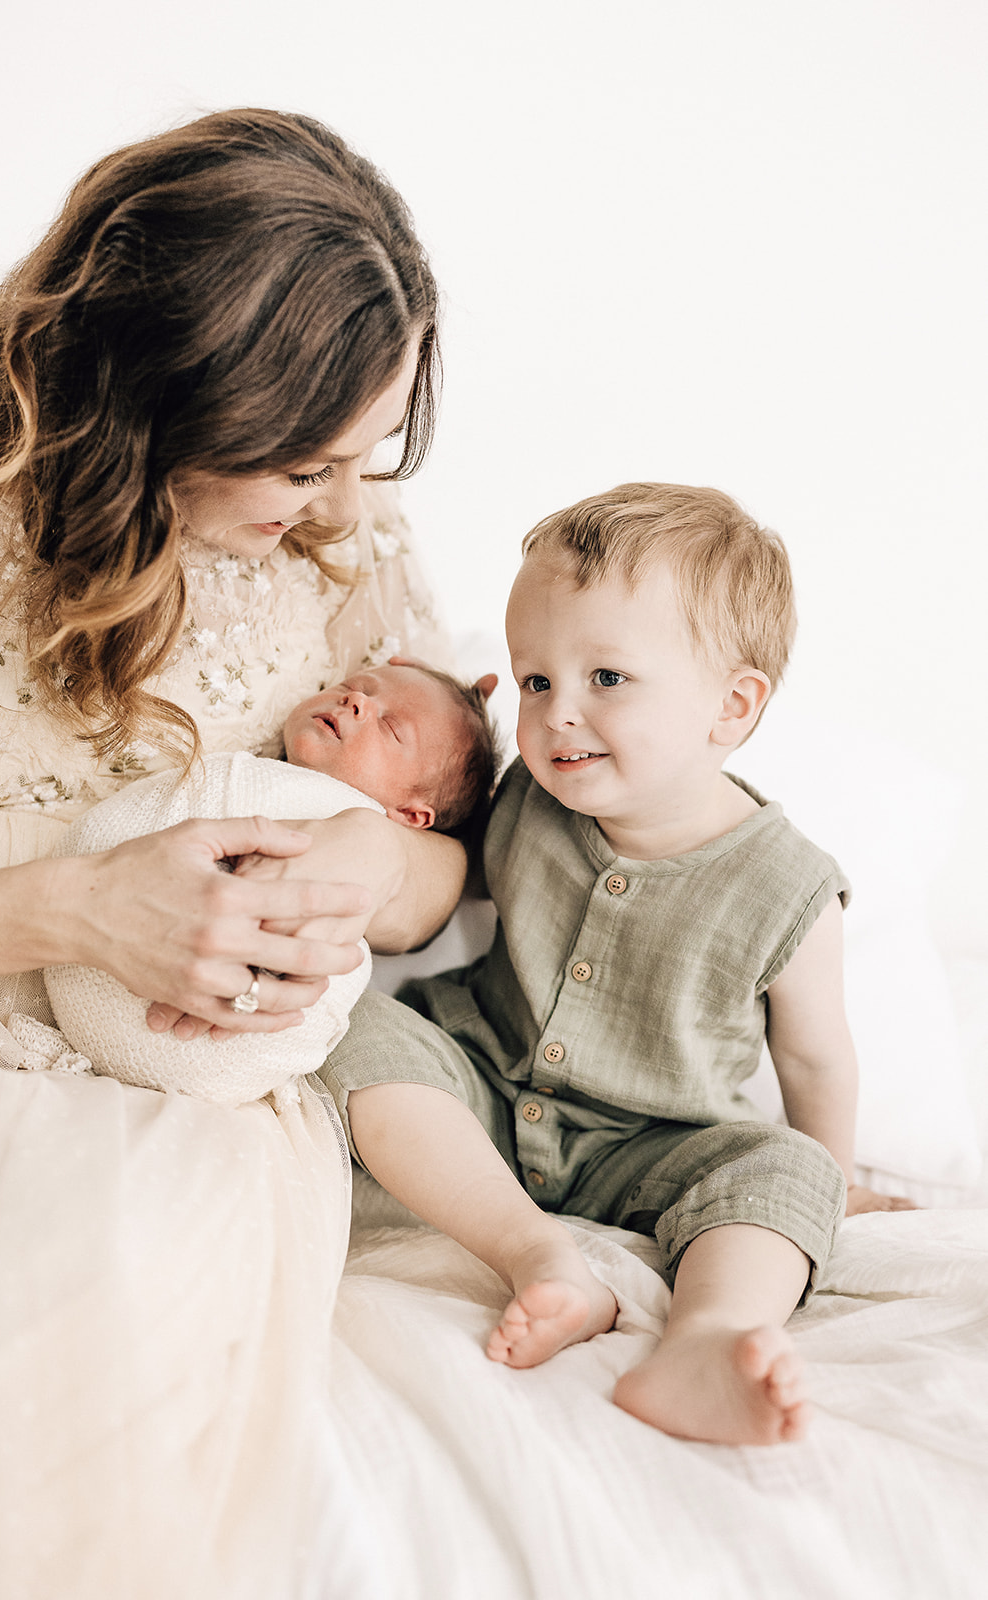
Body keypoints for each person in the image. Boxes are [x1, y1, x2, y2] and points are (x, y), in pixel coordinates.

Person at [0, 108, 468, 1596]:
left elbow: (448, 848)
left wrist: (369, 863)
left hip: (188, 1087)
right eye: (303, 466)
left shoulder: (349, 541)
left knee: (120, 1254)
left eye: (367, 457)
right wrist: (76, 911)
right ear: (153, 401)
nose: (347, 511)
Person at [319, 481, 914, 1451]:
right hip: (484, 1082)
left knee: (782, 1169)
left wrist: (831, 1178)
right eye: (535, 681)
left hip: (654, 1144)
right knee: (354, 1023)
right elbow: (420, 860)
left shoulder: (785, 888)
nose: (557, 715)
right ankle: (533, 1250)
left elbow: (813, 1062)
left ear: (730, 704)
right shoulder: (524, 799)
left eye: (606, 678)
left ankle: (708, 1338)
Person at [41, 664, 498, 1105]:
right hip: (71, 931)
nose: (357, 700)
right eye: (353, 684)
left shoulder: (350, 825)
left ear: (411, 817)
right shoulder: (249, 777)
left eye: (393, 728)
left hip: (221, 1040)